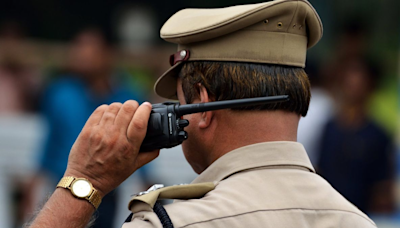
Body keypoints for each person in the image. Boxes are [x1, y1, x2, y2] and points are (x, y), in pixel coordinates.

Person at [26, 1, 377, 228]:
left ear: (203, 105)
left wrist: (83, 182)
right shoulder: (356, 221)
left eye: (180, 100)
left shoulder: (173, 223)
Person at [23, 28, 146, 228]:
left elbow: (141, 149)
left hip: (113, 191)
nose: (82, 54)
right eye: (78, 46)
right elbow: (49, 144)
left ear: (107, 53)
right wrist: (34, 183)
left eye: (90, 47)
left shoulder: (129, 97)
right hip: (62, 187)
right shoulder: (59, 94)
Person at [317, 57, 395, 214]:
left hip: (363, 217)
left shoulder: (379, 135)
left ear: (370, 86)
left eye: (358, 79)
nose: (352, 84)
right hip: (328, 215)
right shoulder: (329, 128)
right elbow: (321, 173)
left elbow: (382, 189)